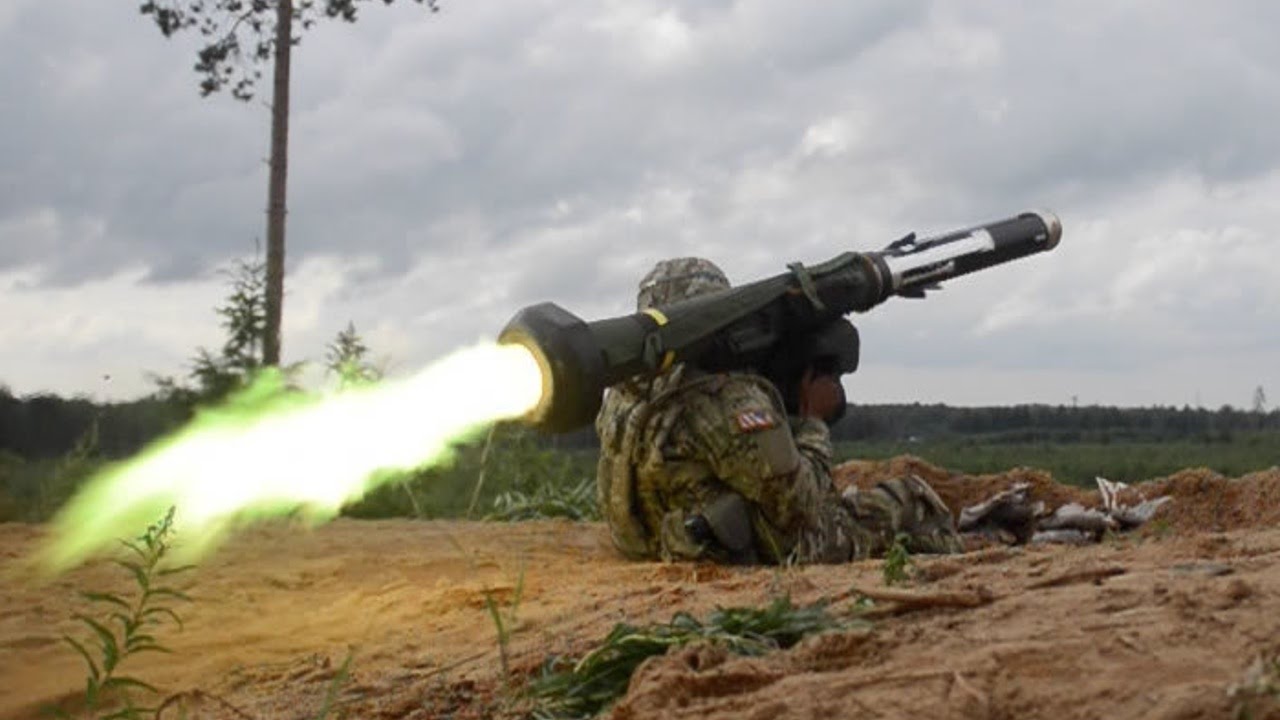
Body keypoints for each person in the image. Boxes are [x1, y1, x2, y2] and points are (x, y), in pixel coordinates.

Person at [594, 257, 963, 565]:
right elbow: (802, 506)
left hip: (659, 544)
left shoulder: (627, 391)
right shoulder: (724, 398)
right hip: (755, 554)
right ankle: (965, 574)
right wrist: (813, 421)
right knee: (912, 499)